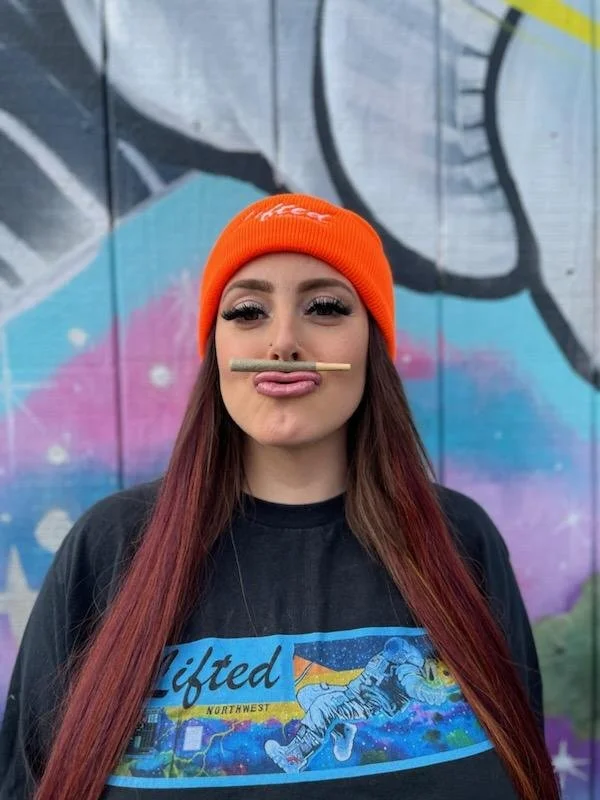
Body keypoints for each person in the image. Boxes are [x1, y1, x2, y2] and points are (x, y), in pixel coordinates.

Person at [0, 194, 559, 800]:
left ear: (371, 344)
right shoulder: (109, 547)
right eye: (247, 311)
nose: (284, 341)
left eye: (325, 307)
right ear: (217, 350)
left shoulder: (460, 538)